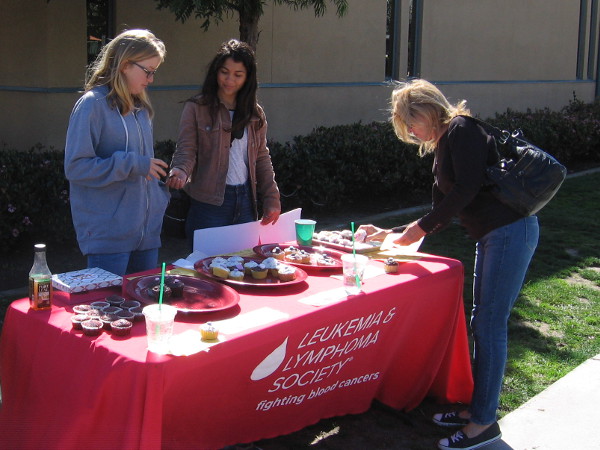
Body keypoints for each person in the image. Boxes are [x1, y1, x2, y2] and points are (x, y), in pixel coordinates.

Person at [359, 79, 539, 450]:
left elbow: (466, 189)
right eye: (406, 125)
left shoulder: (461, 129)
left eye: (412, 121)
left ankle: (484, 424)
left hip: (509, 230)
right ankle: (477, 410)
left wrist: (418, 229)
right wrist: (387, 232)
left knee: (490, 325)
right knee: (483, 321)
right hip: (494, 235)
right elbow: (437, 210)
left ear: (428, 109)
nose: (411, 130)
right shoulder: (445, 143)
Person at [64, 29, 170, 276]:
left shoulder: (141, 109)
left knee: (143, 311)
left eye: (155, 72)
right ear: (124, 65)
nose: (151, 79)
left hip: (147, 238)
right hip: (108, 239)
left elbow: (143, 169)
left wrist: (160, 191)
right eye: (148, 71)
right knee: (107, 312)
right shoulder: (92, 104)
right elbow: (76, 167)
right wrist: (133, 165)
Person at [166, 39, 281, 249]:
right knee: (205, 269)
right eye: (224, 72)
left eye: (238, 75)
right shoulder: (196, 107)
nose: (229, 80)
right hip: (208, 204)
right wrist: (181, 170)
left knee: (243, 266)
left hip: (246, 200)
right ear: (215, 72)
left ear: (248, 78)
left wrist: (272, 198)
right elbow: (186, 147)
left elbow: (262, 157)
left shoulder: (255, 113)